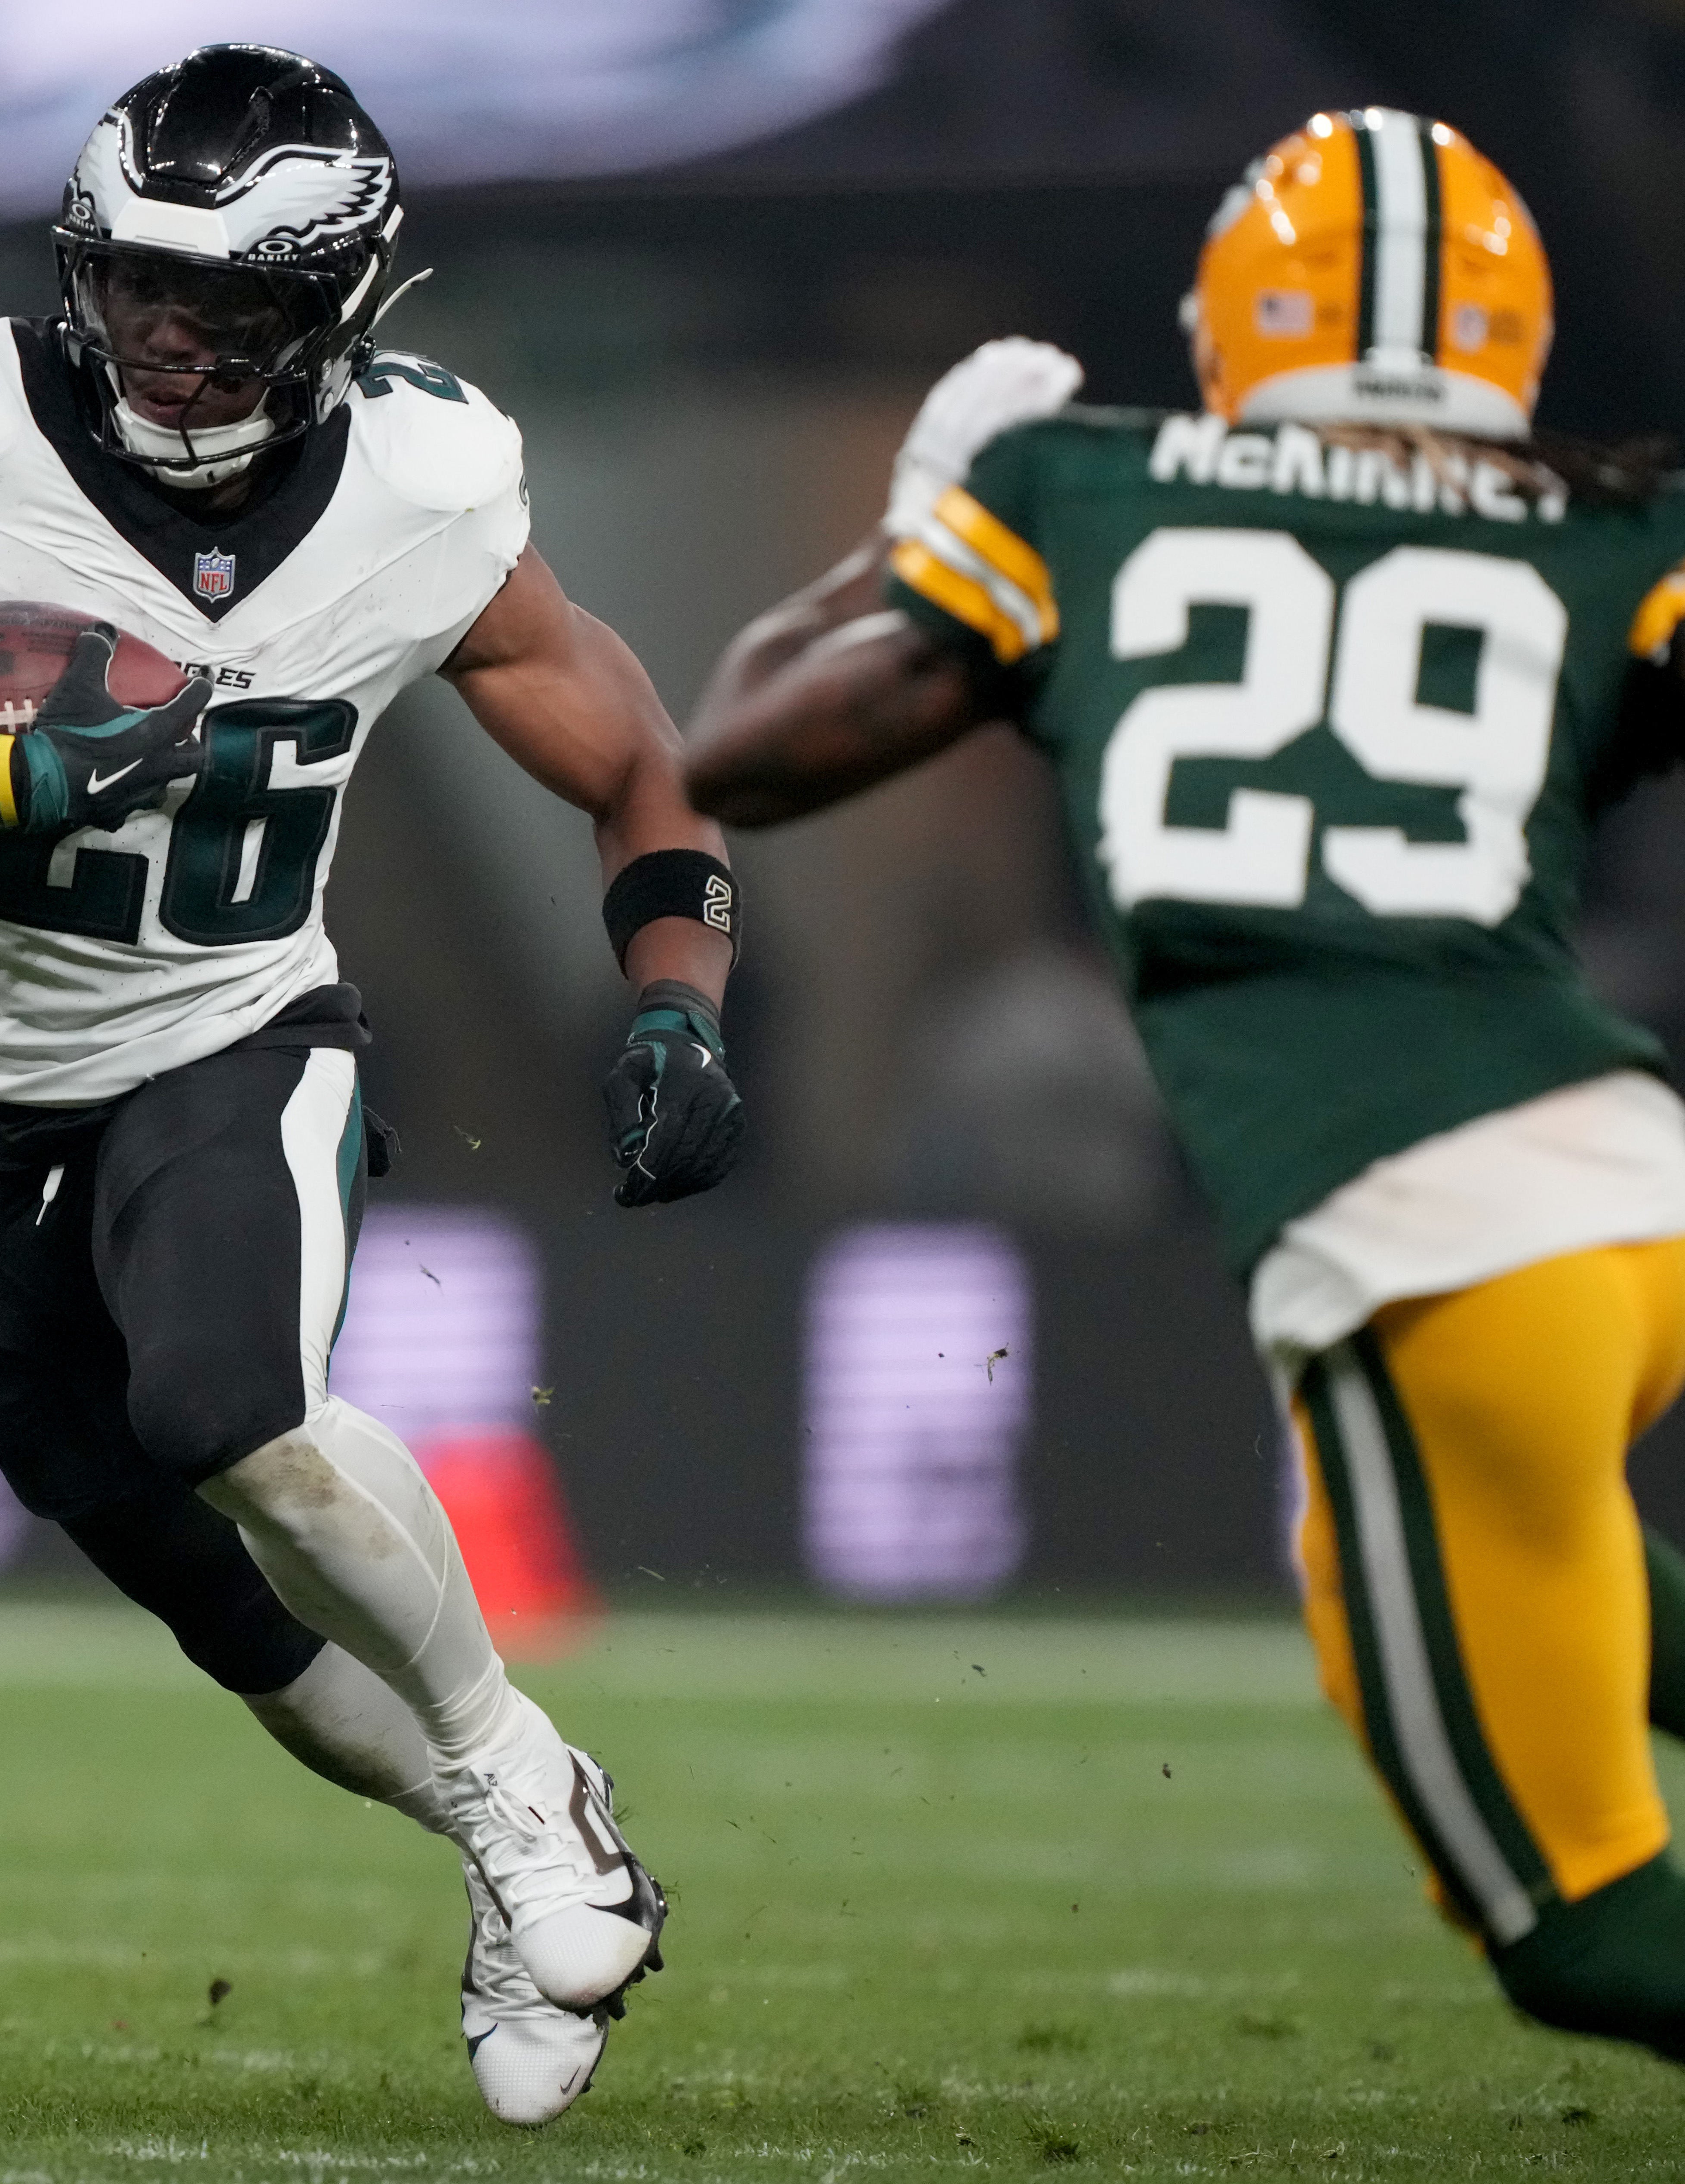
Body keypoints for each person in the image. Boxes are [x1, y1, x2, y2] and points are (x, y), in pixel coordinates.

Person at [0, 44, 742, 2127]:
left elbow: (628, 759)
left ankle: (521, 1779)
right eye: (142, 284)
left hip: (225, 1037)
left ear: (338, 306)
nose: (172, 338)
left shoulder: (422, 493)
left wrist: (680, 991)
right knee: (212, 1606)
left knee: (224, 1405)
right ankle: (513, 1824)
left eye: (228, 301)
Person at [687, 108, 1685, 2061]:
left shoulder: (1094, 487)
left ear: (1237, 321)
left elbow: (741, 747)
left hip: (1426, 1240)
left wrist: (916, 532)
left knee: (1573, 1929)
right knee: (1390, 1544)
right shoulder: (1605, 514)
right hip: (1627, 1187)